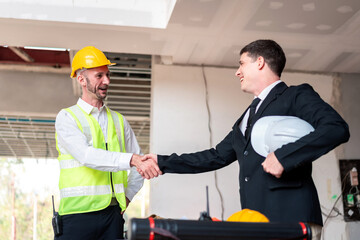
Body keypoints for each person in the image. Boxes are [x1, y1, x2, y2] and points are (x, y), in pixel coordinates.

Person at [141, 40, 350, 240]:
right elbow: (215, 156)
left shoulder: (295, 95)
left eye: (241, 64)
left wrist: (284, 157)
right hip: (254, 223)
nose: (237, 71)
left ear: (260, 62)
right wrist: (162, 161)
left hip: (292, 219)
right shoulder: (246, 117)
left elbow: (335, 128)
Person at [54, 46, 161, 239]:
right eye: (99, 76)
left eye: (108, 75)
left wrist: (126, 198)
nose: (107, 81)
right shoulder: (67, 117)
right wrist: (132, 160)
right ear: (81, 79)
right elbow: (86, 156)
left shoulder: (119, 121)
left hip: (113, 216)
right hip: (76, 216)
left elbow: (140, 164)